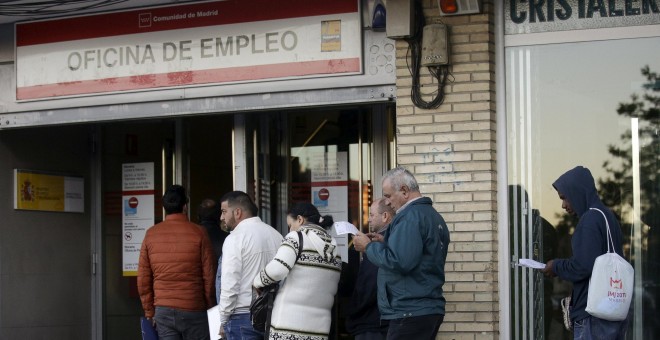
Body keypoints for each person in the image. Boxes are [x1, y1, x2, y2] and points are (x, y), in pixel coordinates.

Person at [353, 167, 450, 340]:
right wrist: (387, 243)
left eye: (388, 196)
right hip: (426, 308)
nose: (388, 202)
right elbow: (419, 256)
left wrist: (368, 247)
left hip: (409, 310)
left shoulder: (410, 216)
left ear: (404, 191)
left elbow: (400, 262)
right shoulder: (433, 216)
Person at [542, 166, 629, 339]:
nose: (563, 205)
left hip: (593, 316)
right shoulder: (607, 216)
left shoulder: (589, 220)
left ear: (576, 191)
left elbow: (583, 266)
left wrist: (556, 266)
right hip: (612, 311)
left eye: (564, 198)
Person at [137, 184, 216, 340]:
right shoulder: (199, 232)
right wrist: (209, 305)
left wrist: (149, 311)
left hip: (163, 310)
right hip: (193, 308)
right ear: (185, 206)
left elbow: (143, 278)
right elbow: (209, 275)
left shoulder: (151, 234)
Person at [253, 202, 343, 339]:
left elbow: (276, 270)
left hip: (288, 326)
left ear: (300, 220)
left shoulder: (296, 237)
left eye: (290, 225)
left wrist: (258, 282)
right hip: (320, 329)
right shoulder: (334, 248)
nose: (289, 230)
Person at [218, 191, 283, 340]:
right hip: (273, 314)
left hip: (242, 316)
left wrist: (223, 318)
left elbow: (230, 283)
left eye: (224, 212)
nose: (222, 217)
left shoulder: (234, 238)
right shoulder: (276, 235)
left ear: (238, 212)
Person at [346, 198, 394, 340]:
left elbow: (368, 285)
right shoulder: (393, 240)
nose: (369, 219)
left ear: (385, 216)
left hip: (372, 323)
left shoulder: (377, 245)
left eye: (372, 215)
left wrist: (354, 311)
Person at [197, 198, 229, 304]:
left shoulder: (192, 238)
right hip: (222, 295)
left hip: (196, 297)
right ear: (219, 217)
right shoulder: (229, 239)